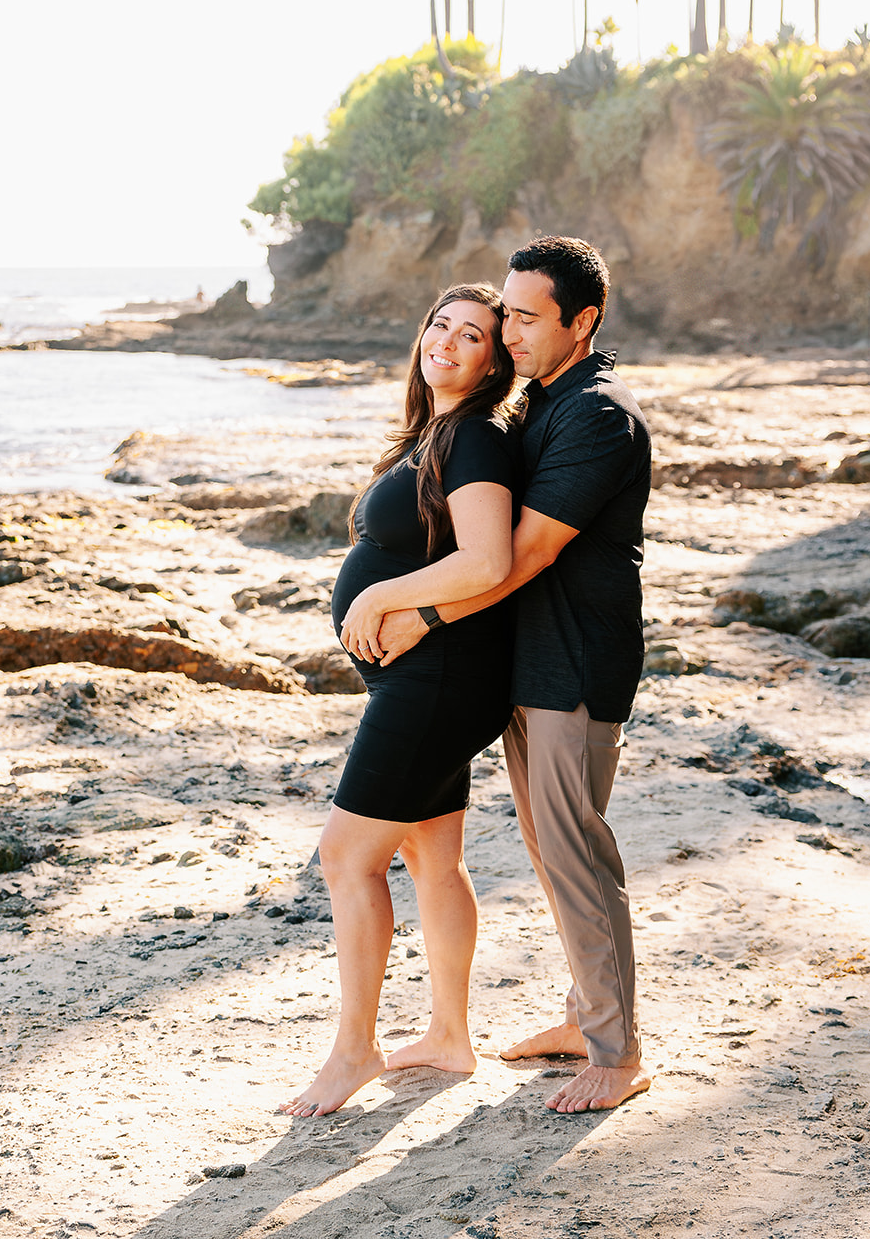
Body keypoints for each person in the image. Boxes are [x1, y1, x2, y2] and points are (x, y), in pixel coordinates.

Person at [374, 236, 652, 1115]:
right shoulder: (544, 402)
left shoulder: (596, 413)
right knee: (548, 848)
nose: (510, 328)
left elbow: (521, 555)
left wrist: (414, 614)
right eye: (510, 310)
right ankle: (584, 1017)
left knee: (575, 854)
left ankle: (616, 1052)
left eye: (528, 316)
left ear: (583, 321)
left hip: (574, 666)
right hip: (534, 665)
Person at [281, 283, 523, 1119]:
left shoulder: (477, 440)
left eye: (472, 336)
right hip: (432, 680)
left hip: (440, 680)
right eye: (439, 326)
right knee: (431, 858)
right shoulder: (438, 434)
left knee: (346, 859)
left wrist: (381, 602)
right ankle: (449, 1036)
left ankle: (355, 1050)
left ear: (496, 361)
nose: (448, 344)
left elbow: (488, 562)